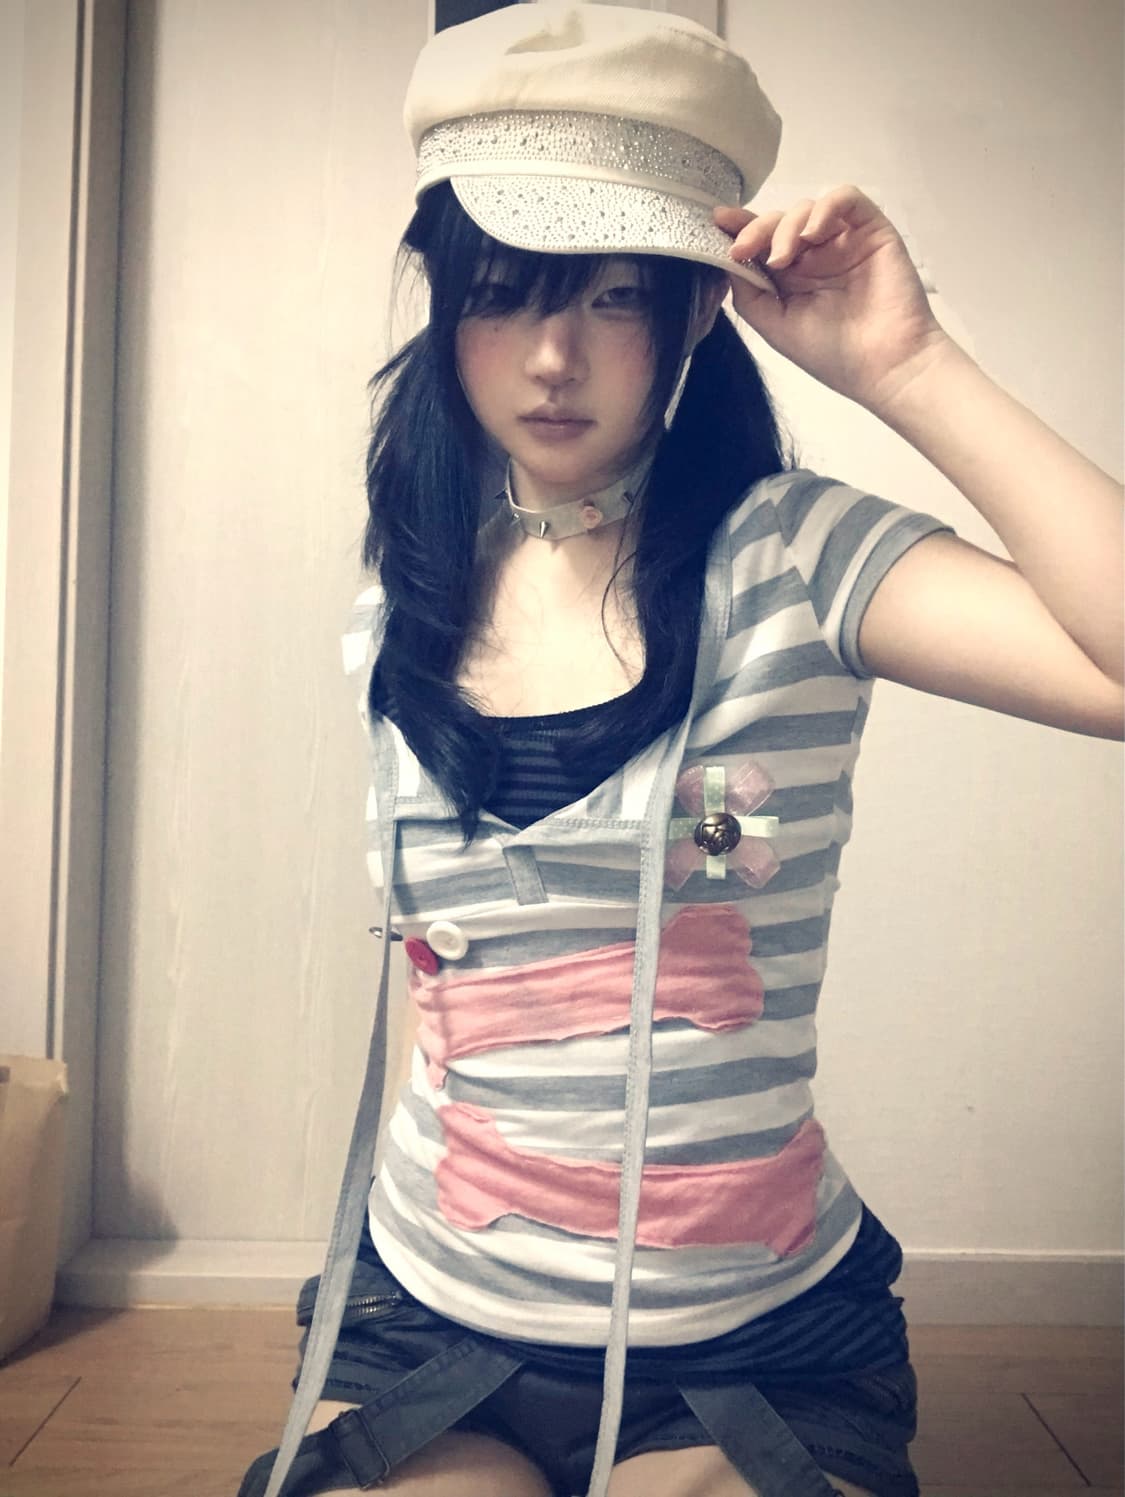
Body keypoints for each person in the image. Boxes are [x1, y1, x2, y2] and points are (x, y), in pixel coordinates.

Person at [239, 6, 1123, 1497]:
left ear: (699, 308)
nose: (551, 358)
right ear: (444, 300)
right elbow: (443, 973)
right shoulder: (410, 585)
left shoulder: (794, 558)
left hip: (744, 1332)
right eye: (502, 295)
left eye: (612, 298)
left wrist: (907, 364)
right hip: (438, 1301)